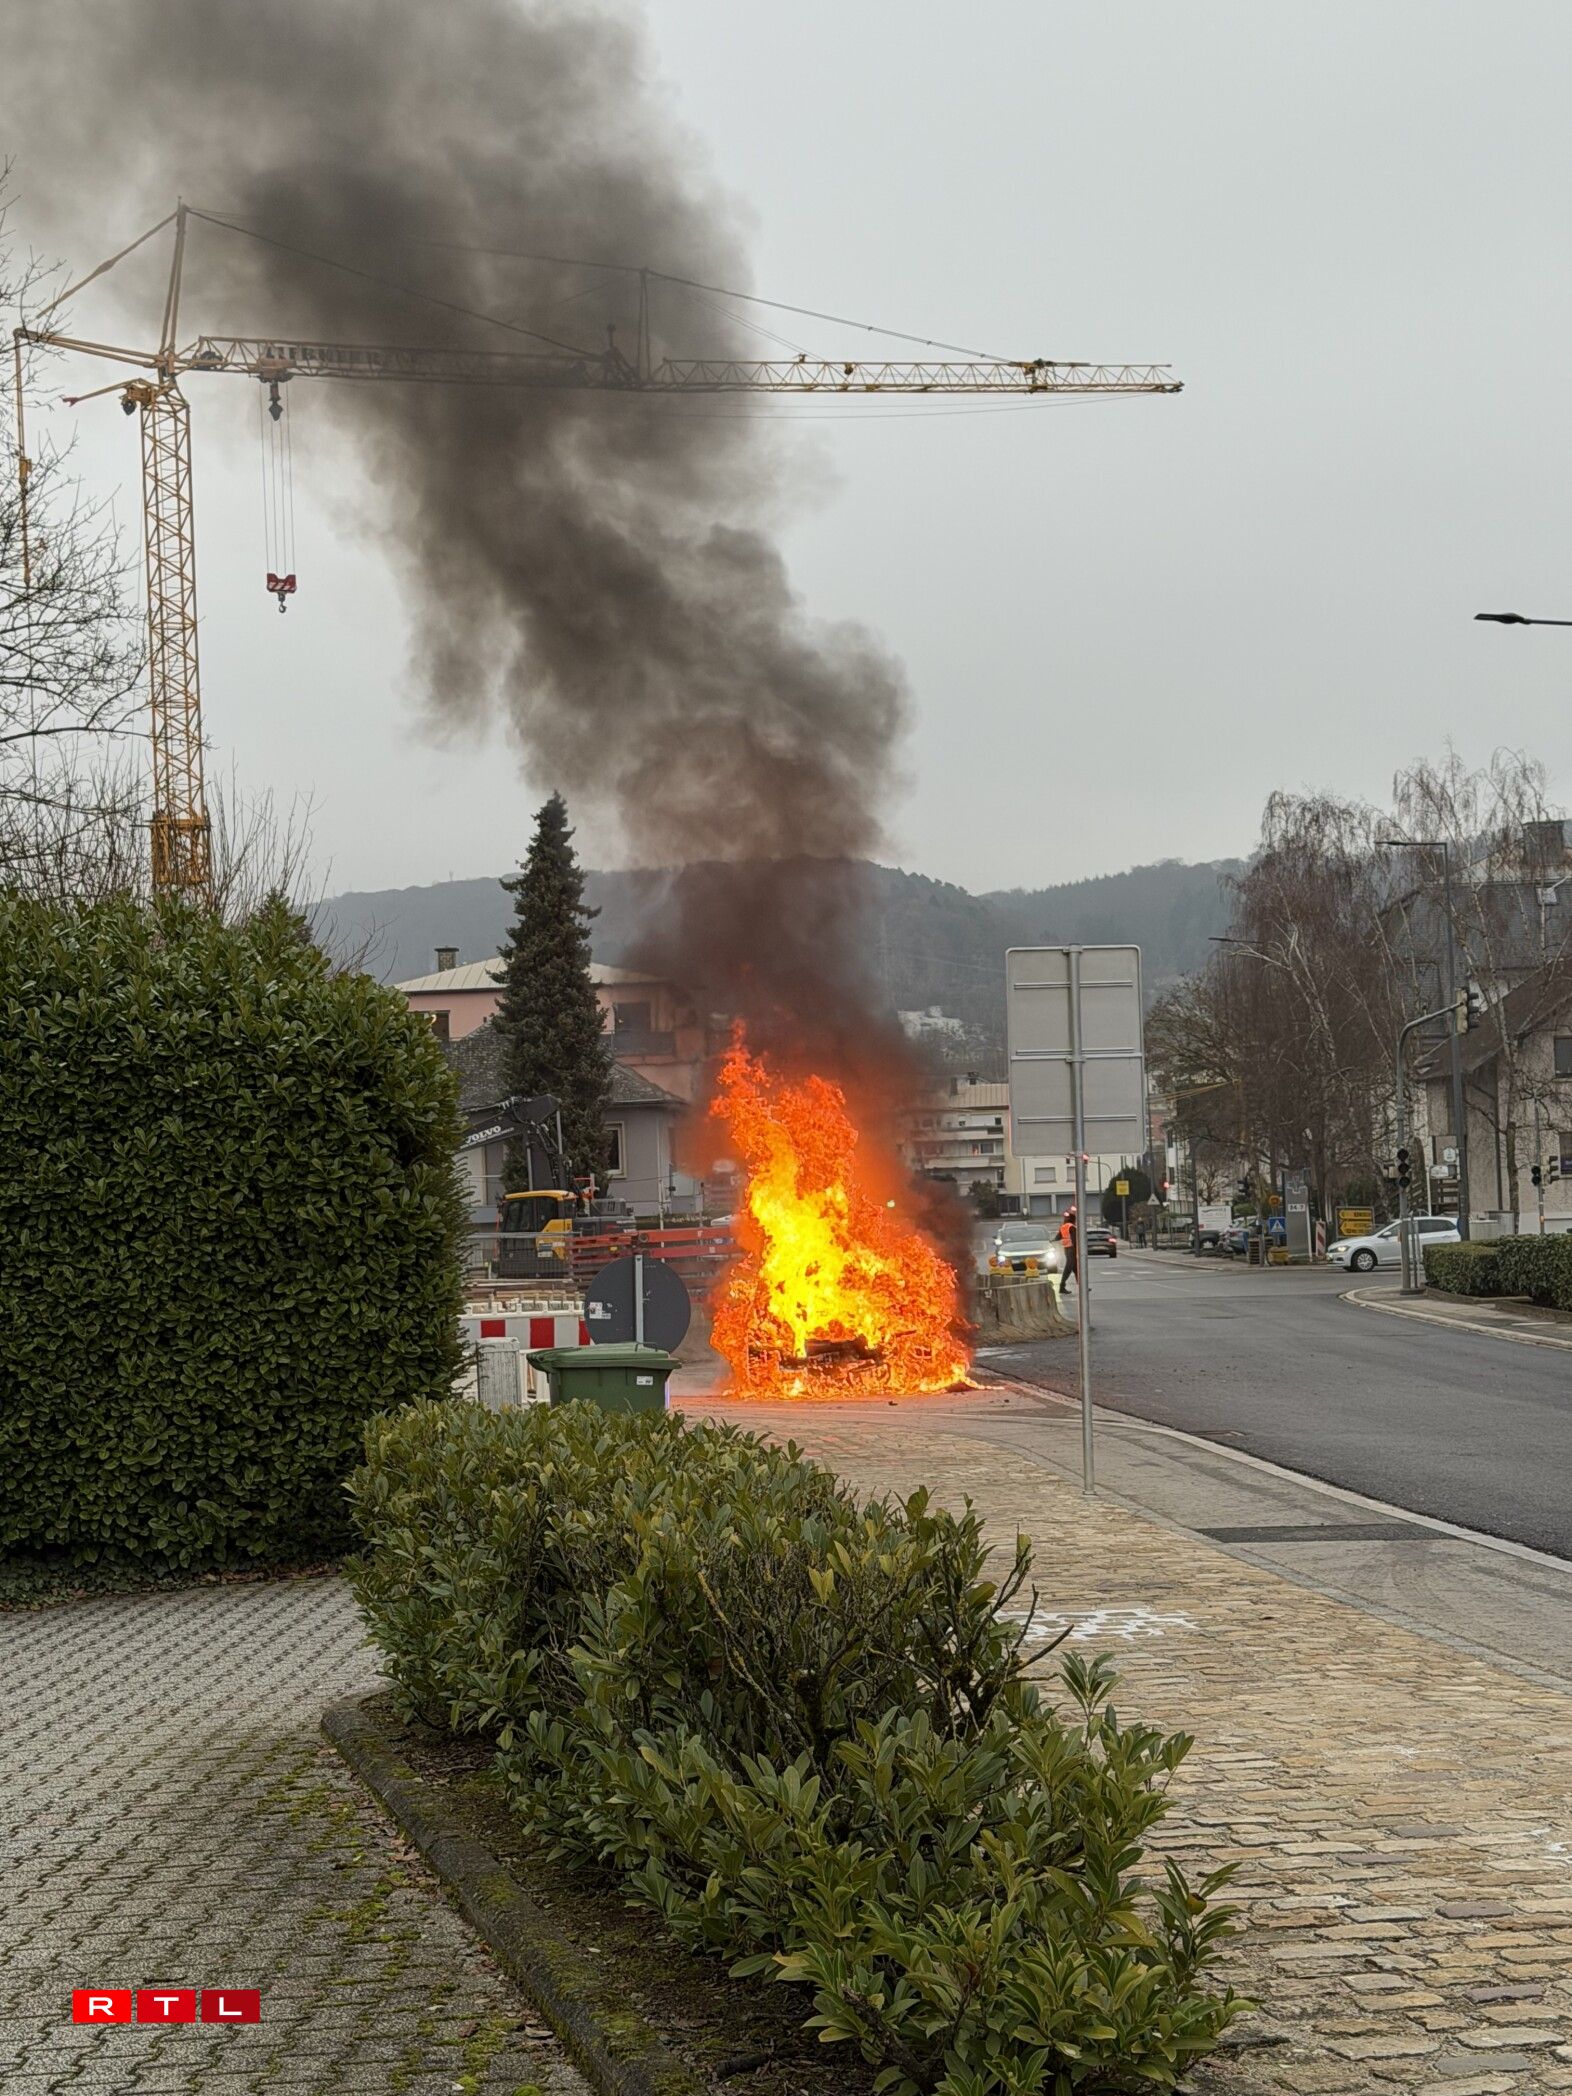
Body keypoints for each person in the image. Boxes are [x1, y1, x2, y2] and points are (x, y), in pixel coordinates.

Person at [1059, 1205, 1078, 1295]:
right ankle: (1062, 1286)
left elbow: (1058, 1236)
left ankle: (1083, 1287)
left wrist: (1051, 1240)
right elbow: (1074, 1240)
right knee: (1069, 1268)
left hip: (1066, 1249)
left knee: (1076, 1269)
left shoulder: (1063, 1227)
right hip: (1071, 1249)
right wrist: (1077, 1251)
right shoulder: (1072, 1227)